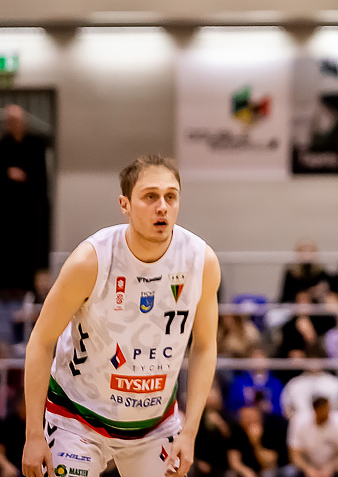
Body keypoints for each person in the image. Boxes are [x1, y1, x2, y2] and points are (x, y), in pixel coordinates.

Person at [21, 155, 221, 477]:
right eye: (150, 196)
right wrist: (33, 435)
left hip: (154, 426)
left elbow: (205, 346)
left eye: (171, 196)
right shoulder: (90, 260)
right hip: (77, 418)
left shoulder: (201, 262)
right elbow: (41, 341)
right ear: (125, 204)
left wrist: (189, 432)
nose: (162, 207)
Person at [0, 105, 51, 295]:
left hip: (28, 206)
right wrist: (7, 172)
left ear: (23, 122)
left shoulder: (35, 144)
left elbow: (42, 176)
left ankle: (26, 287)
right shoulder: (1, 144)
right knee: (6, 248)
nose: (13, 125)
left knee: (27, 248)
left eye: (16, 121)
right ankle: (6, 286)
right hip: (5, 207)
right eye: (9, 121)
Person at [287, 397, 338, 477]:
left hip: (334, 465)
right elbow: (294, 455)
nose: (324, 412)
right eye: (321, 410)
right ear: (315, 410)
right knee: (288, 471)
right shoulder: (299, 421)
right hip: (308, 464)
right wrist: (308, 469)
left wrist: (331, 467)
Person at [281, 347, 338, 419]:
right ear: (305, 359)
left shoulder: (336, 383)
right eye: (310, 359)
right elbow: (286, 409)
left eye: (317, 359)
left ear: (324, 360)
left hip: (328, 422)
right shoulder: (294, 383)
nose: (314, 363)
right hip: (301, 422)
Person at [0, 392, 28, 477]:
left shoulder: (41, 426)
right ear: (18, 403)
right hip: (12, 468)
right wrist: (6, 466)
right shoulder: (6, 424)